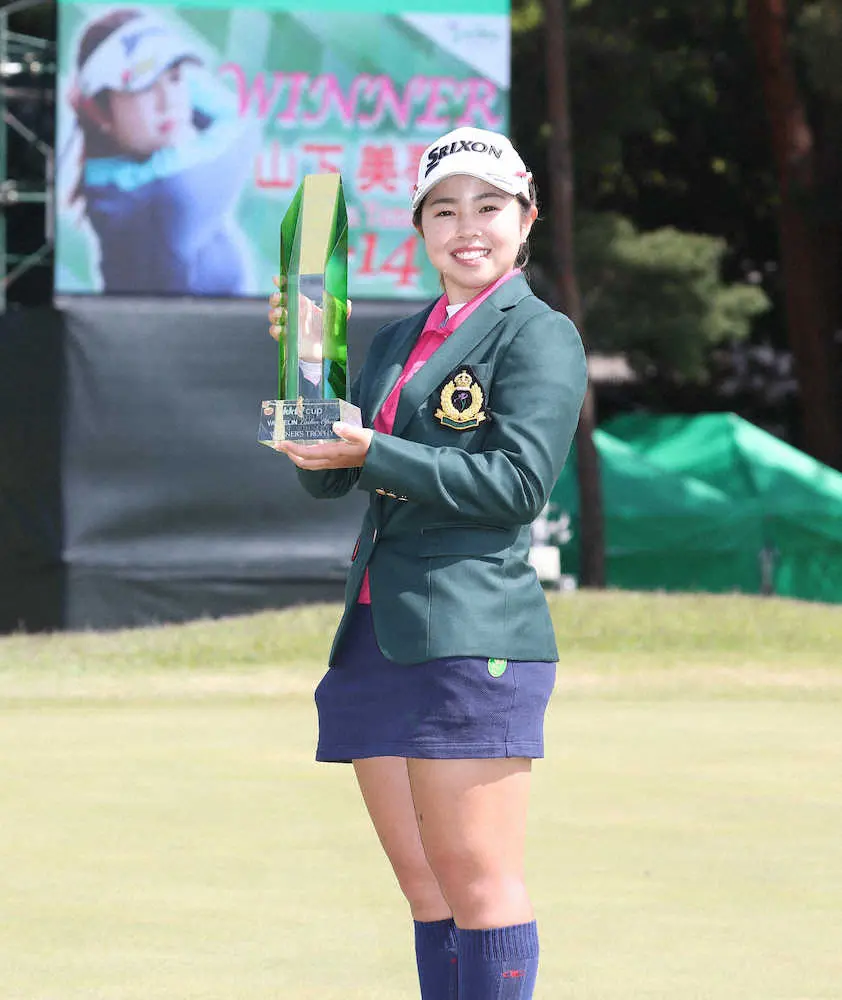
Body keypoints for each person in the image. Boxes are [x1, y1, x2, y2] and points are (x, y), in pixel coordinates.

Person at [269, 126, 587, 999]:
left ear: (526, 217)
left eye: (488, 206)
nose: (466, 227)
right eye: (443, 211)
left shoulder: (540, 335)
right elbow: (335, 485)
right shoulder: (393, 340)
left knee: (479, 887)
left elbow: (516, 485)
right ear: (419, 228)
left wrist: (371, 448)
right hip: (379, 630)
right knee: (427, 891)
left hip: (471, 633)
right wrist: (309, 402)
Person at [67, 8, 256, 295]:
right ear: (99, 111)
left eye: (175, 78)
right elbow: (244, 124)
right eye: (143, 86)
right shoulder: (174, 190)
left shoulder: (106, 180)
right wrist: (179, 78)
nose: (168, 102)